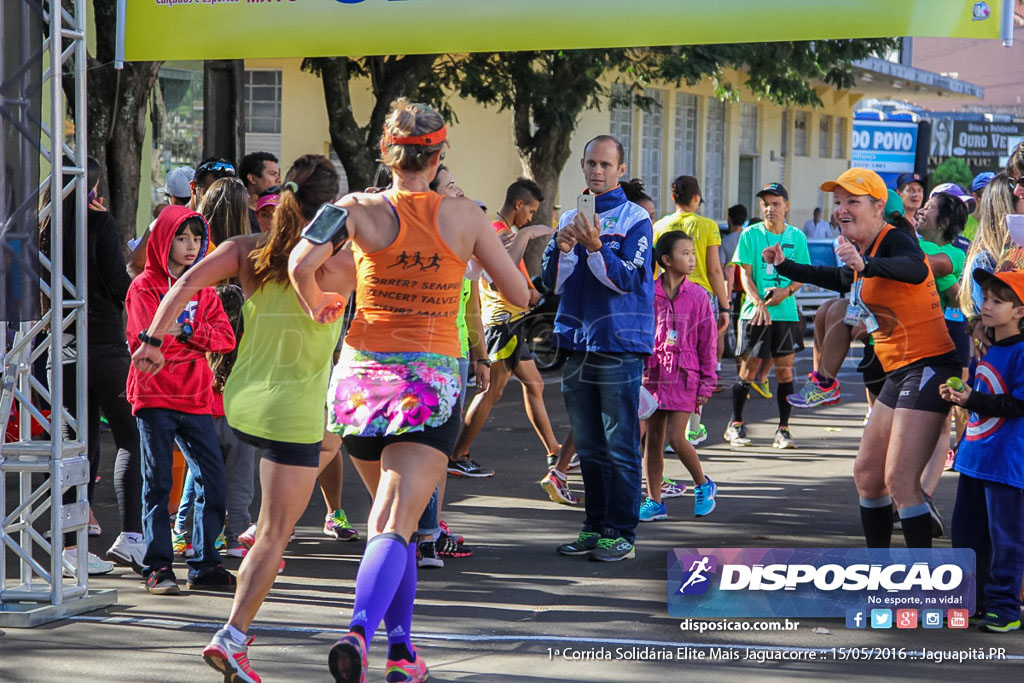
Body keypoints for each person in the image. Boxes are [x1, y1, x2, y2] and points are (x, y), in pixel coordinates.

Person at [288, 101, 528, 683]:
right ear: (439, 155)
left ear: (384, 153)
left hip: (361, 382)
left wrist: (316, 302)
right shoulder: (467, 215)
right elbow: (519, 294)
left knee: (397, 518)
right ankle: (358, 632)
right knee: (396, 522)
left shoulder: (354, 208)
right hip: (429, 382)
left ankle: (402, 654)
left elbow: (301, 260)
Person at [131, 155, 351, 681]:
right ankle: (231, 636)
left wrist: (154, 341)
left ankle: (260, 529)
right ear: (332, 210)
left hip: (244, 400)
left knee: (334, 443)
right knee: (278, 532)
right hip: (293, 408)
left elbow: (179, 285)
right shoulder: (344, 263)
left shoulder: (248, 251)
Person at [764, 167, 959, 549]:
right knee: (868, 476)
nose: (842, 210)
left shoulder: (895, 238)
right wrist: (784, 266)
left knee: (901, 482)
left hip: (930, 364)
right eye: (838, 202)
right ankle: (878, 574)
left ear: (877, 206)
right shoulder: (864, 250)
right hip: (899, 370)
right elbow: (839, 278)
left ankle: (917, 582)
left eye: (852, 201)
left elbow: (916, 268)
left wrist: (864, 264)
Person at [542, 134, 654, 562]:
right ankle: (594, 525)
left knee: (619, 443)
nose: (597, 171)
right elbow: (550, 284)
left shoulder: (636, 218)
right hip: (576, 341)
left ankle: (620, 530)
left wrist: (592, 249)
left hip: (619, 343)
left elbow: (625, 279)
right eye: (591, 163)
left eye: (606, 164)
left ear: (621, 169)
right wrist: (564, 248)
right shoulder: (571, 215)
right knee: (588, 445)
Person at [39, 157, 144, 575]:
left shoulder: (40, 229)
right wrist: (137, 272)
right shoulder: (98, 224)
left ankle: (68, 549)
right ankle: (132, 537)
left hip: (57, 347)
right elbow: (120, 287)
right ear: (92, 188)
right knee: (130, 439)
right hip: (103, 345)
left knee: (74, 449)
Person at [125, 206, 237, 594]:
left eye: (197, 239)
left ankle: (205, 565)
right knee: (158, 482)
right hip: (153, 394)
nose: (192, 247)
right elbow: (143, 339)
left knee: (213, 478)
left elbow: (226, 339)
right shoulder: (143, 287)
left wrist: (185, 327)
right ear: (163, 240)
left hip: (196, 397)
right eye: (182, 238)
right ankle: (158, 567)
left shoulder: (204, 288)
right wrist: (177, 335)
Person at [448, 178, 557, 477]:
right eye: (531, 211)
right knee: (492, 390)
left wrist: (529, 292)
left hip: (512, 322)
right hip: (501, 324)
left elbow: (513, 276)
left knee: (535, 384)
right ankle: (457, 454)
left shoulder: (507, 233)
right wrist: (527, 235)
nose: (531, 218)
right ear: (518, 204)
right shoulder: (499, 232)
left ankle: (554, 450)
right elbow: (497, 279)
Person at [942, 268, 1024, 633]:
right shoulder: (986, 346)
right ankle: (971, 601)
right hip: (975, 459)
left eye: (997, 301)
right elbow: (981, 399)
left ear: (1019, 312)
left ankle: (1005, 608)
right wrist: (961, 396)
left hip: (1006, 464)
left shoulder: (1020, 351)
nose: (986, 306)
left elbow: (1016, 404)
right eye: (986, 298)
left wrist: (973, 397)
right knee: (967, 533)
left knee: (1006, 538)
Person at [640, 231, 718, 522]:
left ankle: (703, 484)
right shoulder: (648, 292)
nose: (691, 258)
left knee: (676, 437)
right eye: (684, 253)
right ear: (665, 260)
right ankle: (655, 500)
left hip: (686, 375)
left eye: (692, 253)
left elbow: (707, 341)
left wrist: (707, 382)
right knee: (653, 440)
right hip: (653, 375)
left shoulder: (698, 296)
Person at [725, 182, 809, 449]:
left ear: (786, 205)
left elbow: (802, 276)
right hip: (755, 314)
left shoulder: (797, 237)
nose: (770, 208)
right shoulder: (750, 235)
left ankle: (783, 430)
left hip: (785, 314)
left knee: (785, 373)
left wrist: (786, 291)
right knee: (748, 371)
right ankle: (735, 425)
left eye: (775, 203)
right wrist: (757, 301)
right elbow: (745, 274)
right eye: (765, 203)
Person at [653, 176, 730, 445]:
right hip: (699, 297)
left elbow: (653, 267)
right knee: (697, 356)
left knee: (665, 355)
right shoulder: (707, 226)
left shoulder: (659, 225)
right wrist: (724, 304)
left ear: (673, 198)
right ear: (697, 198)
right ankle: (691, 428)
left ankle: (664, 425)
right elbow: (714, 268)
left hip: (663, 294)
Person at [238, 151, 281, 232]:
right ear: (252, 178)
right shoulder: (239, 215)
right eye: (272, 174)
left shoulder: (282, 209)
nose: (278, 180)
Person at [963, 171, 996, 241]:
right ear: (976, 197)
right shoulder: (963, 224)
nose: (994, 199)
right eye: (988, 195)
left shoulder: (1002, 224)